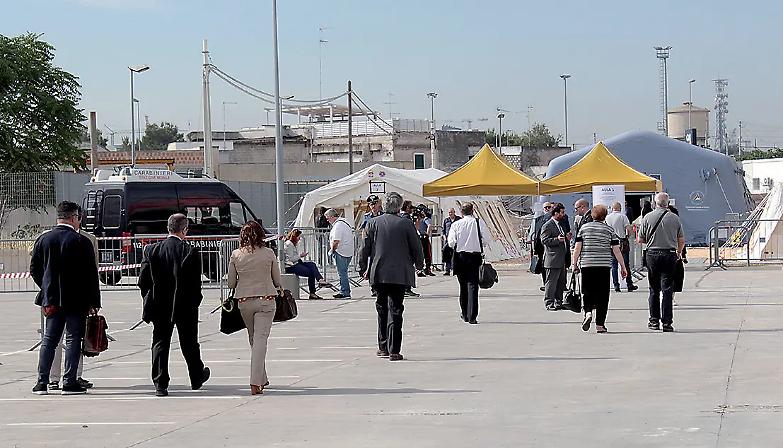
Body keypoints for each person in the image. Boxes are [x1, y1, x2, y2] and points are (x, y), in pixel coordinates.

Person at [30, 201, 101, 396]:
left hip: (51, 299)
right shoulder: (81, 241)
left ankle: (41, 382)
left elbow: (35, 269)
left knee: (49, 340)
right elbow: (90, 275)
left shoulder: (44, 240)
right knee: (73, 339)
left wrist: (46, 288)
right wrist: (94, 302)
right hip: (77, 300)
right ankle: (69, 382)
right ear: (74, 218)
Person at [138, 213, 210, 397]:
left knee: (160, 342)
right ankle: (196, 376)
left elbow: (143, 280)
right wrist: (195, 302)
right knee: (190, 343)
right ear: (184, 230)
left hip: (160, 304)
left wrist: (149, 298)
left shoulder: (152, 250)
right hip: (185, 305)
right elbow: (195, 283)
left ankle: (160, 383)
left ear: (168, 228)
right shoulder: (190, 251)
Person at [359, 192, 424, 361]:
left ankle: (383, 346)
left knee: (381, 308)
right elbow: (416, 246)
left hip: (379, 272)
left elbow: (364, 247)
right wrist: (419, 264)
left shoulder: (372, 223)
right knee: (396, 309)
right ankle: (394, 349)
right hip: (399, 273)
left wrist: (362, 267)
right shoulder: (406, 224)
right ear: (399, 206)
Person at [228, 221, 282, 394]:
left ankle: (262, 377)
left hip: (244, 301)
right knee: (260, 340)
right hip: (266, 299)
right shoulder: (268, 253)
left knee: (253, 339)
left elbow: (231, 283)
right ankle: (255, 381)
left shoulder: (236, 254)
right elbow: (277, 280)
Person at [572, 205, 628, 333]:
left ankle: (587, 312)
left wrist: (574, 264)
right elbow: (616, 251)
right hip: (603, 266)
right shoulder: (609, 230)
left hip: (587, 265)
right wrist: (623, 267)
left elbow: (577, 248)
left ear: (592, 215)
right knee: (603, 295)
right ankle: (600, 325)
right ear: (605, 216)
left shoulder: (584, 228)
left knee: (587, 292)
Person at [637, 192, 685, 332]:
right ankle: (667, 322)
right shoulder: (674, 218)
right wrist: (678, 252)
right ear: (668, 203)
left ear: (655, 203)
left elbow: (640, 239)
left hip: (652, 254)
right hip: (669, 254)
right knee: (667, 289)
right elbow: (681, 240)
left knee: (654, 289)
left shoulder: (647, 217)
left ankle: (653, 321)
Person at [448, 202, 491, 324]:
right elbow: (486, 239)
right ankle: (472, 316)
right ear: (473, 210)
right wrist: (478, 244)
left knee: (462, 286)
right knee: (473, 285)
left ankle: (464, 313)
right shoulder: (478, 223)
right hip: (474, 256)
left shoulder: (456, 224)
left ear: (461, 212)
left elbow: (451, 242)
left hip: (460, 257)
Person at [540, 203, 571, 311]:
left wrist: (566, 238)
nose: (564, 214)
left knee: (561, 282)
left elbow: (561, 237)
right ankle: (549, 303)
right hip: (552, 259)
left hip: (561, 258)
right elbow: (544, 240)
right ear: (556, 213)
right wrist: (557, 240)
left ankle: (559, 302)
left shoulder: (561, 224)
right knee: (551, 282)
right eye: (562, 212)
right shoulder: (548, 225)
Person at [283, 228, 329, 300]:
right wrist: (300, 256)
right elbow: (291, 259)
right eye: (298, 237)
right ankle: (312, 293)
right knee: (311, 273)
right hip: (291, 266)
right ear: (295, 237)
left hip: (296, 263)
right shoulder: (289, 244)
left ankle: (320, 280)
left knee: (312, 264)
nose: (299, 239)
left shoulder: (292, 244)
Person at [605, 202, 638, 293]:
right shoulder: (623, 216)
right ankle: (629, 284)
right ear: (620, 208)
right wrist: (628, 235)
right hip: (622, 243)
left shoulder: (607, 218)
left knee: (614, 265)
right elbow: (629, 229)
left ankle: (616, 285)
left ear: (612, 208)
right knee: (625, 264)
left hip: (611, 243)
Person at [325, 208, 355, 299]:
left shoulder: (338, 226)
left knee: (342, 273)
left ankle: (345, 291)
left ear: (332, 216)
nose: (327, 220)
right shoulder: (345, 222)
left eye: (328, 218)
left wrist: (332, 250)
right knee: (344, 272)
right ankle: (344, 290)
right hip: (348, 251)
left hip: (341, 252)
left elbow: (336, 241)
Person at [360, 195, 384, 297]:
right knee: (371, 266)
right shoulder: (367, 216)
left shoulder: (383, 215)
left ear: (379, 204)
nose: (373, 206)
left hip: (381, 243)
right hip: (371, 243)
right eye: (371, 204)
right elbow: (363, 231)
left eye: (374, 203)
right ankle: (373, 287)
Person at [530, 202, 552, 291]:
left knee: (551, 267)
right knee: (543, 267)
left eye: (548, 207)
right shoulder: (538, 219)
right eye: (545, 207)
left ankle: (551, 284)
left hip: (551, 247)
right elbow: (536, 234)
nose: (547, 209)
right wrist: (535, 248)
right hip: (541, 247)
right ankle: (545, 283)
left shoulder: (555, 219)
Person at [415, 205, 434, 277]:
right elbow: (429, 225)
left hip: (418, 237)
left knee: (420, 254)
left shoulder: (417, 219)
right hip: (424, 237)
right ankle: (427, 269)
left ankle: (419, 269)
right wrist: (427, 233)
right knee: (427, 253)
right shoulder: (425, 219)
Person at [441, 208, 461, 276]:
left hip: (456, 240)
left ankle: (456, 269)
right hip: (448, 240)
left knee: (455, 255)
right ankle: (447, 270)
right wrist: (444, 236)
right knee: (446, 253)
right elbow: (443, 230)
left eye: (451, 212)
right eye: (449, 212)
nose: (450, 214)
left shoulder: (459, 219)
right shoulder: (446, 220)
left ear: (454, 212)